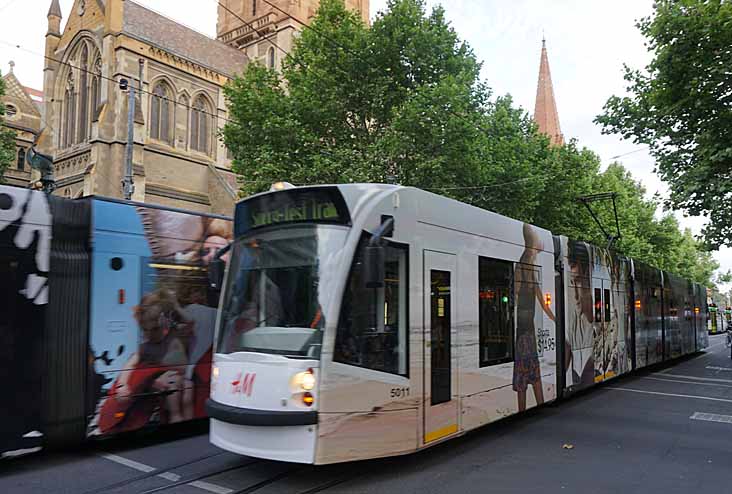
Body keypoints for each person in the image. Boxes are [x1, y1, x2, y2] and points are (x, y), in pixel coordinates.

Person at [513, 224, 556, 412]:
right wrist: (556, 319)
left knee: (522, 376)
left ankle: (523, 410)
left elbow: (513, 297)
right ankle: (540, 406)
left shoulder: (520, 266)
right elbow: (542, 301)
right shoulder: (529, 266)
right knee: (534, 374)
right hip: (528, 332)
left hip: (521, 331)